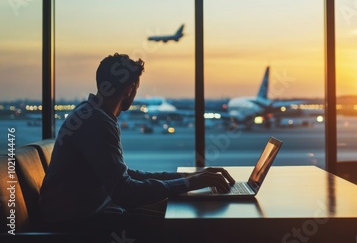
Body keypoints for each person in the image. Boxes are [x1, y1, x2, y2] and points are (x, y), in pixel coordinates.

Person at [39, 53, 235, 240]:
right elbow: (125, 192)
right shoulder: (96, 121)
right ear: (130, 89)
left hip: (84, 216)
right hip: (76, 226)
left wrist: (190, 178)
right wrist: (189, 183)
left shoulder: (91, 113)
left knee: (175, 212)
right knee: (187, 225)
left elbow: (126, 177)